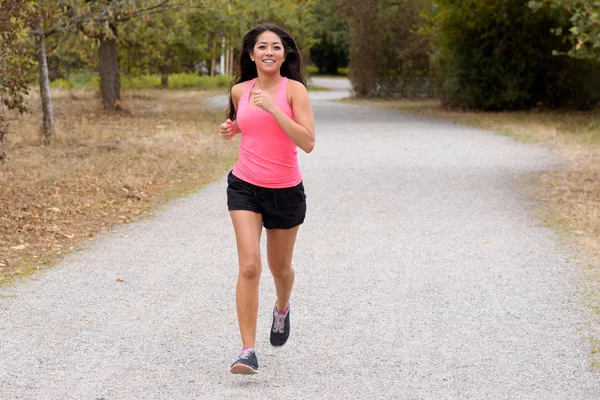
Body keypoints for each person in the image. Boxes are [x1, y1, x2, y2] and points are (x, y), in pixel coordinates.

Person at [219, 23, 315, 375]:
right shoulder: (240, 90)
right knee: (249, 266)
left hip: (286, 191)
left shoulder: (295, 92)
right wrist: (232, 128)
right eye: (262, 47)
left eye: (276, 47)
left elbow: (307, 142)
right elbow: (243, 122)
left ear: (284, 54)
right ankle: (247, 351)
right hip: (245, 185)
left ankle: (283, 306)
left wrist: (275, 109)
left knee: (280, 268)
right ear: (251, 54)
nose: (269, 52)